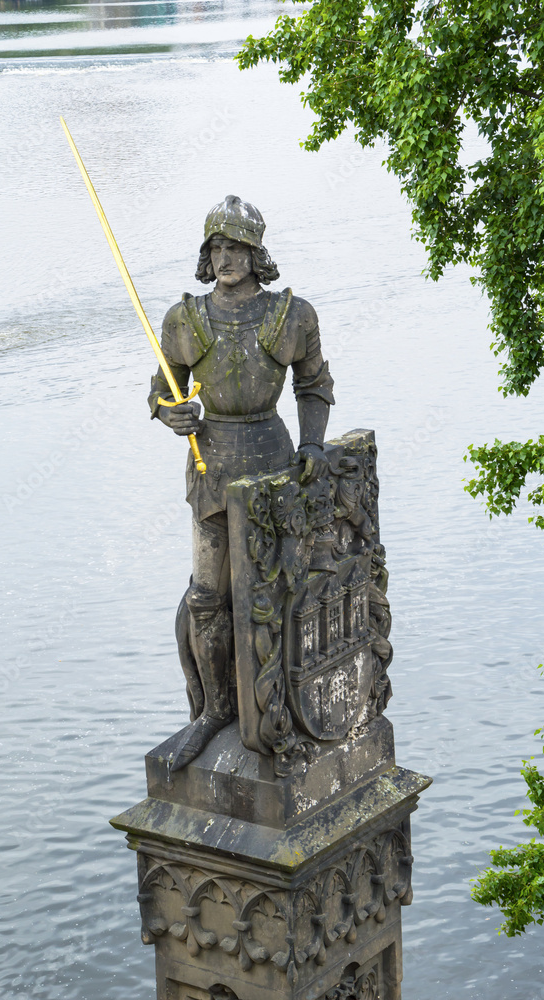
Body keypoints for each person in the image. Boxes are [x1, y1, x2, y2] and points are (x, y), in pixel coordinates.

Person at [149, 195, 334, 770]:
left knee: (277, 590)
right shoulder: (183, 320)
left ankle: (283, 702)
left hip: (273, 461)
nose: (225, 258)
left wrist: (312, 444)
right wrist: (172, 413)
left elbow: (314, 385)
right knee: (207, 597)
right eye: (216, 248)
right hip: (212, 467)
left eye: (236, 247)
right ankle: (215, 710)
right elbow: (161, 390)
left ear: (257, 254)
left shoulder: (292, 315)